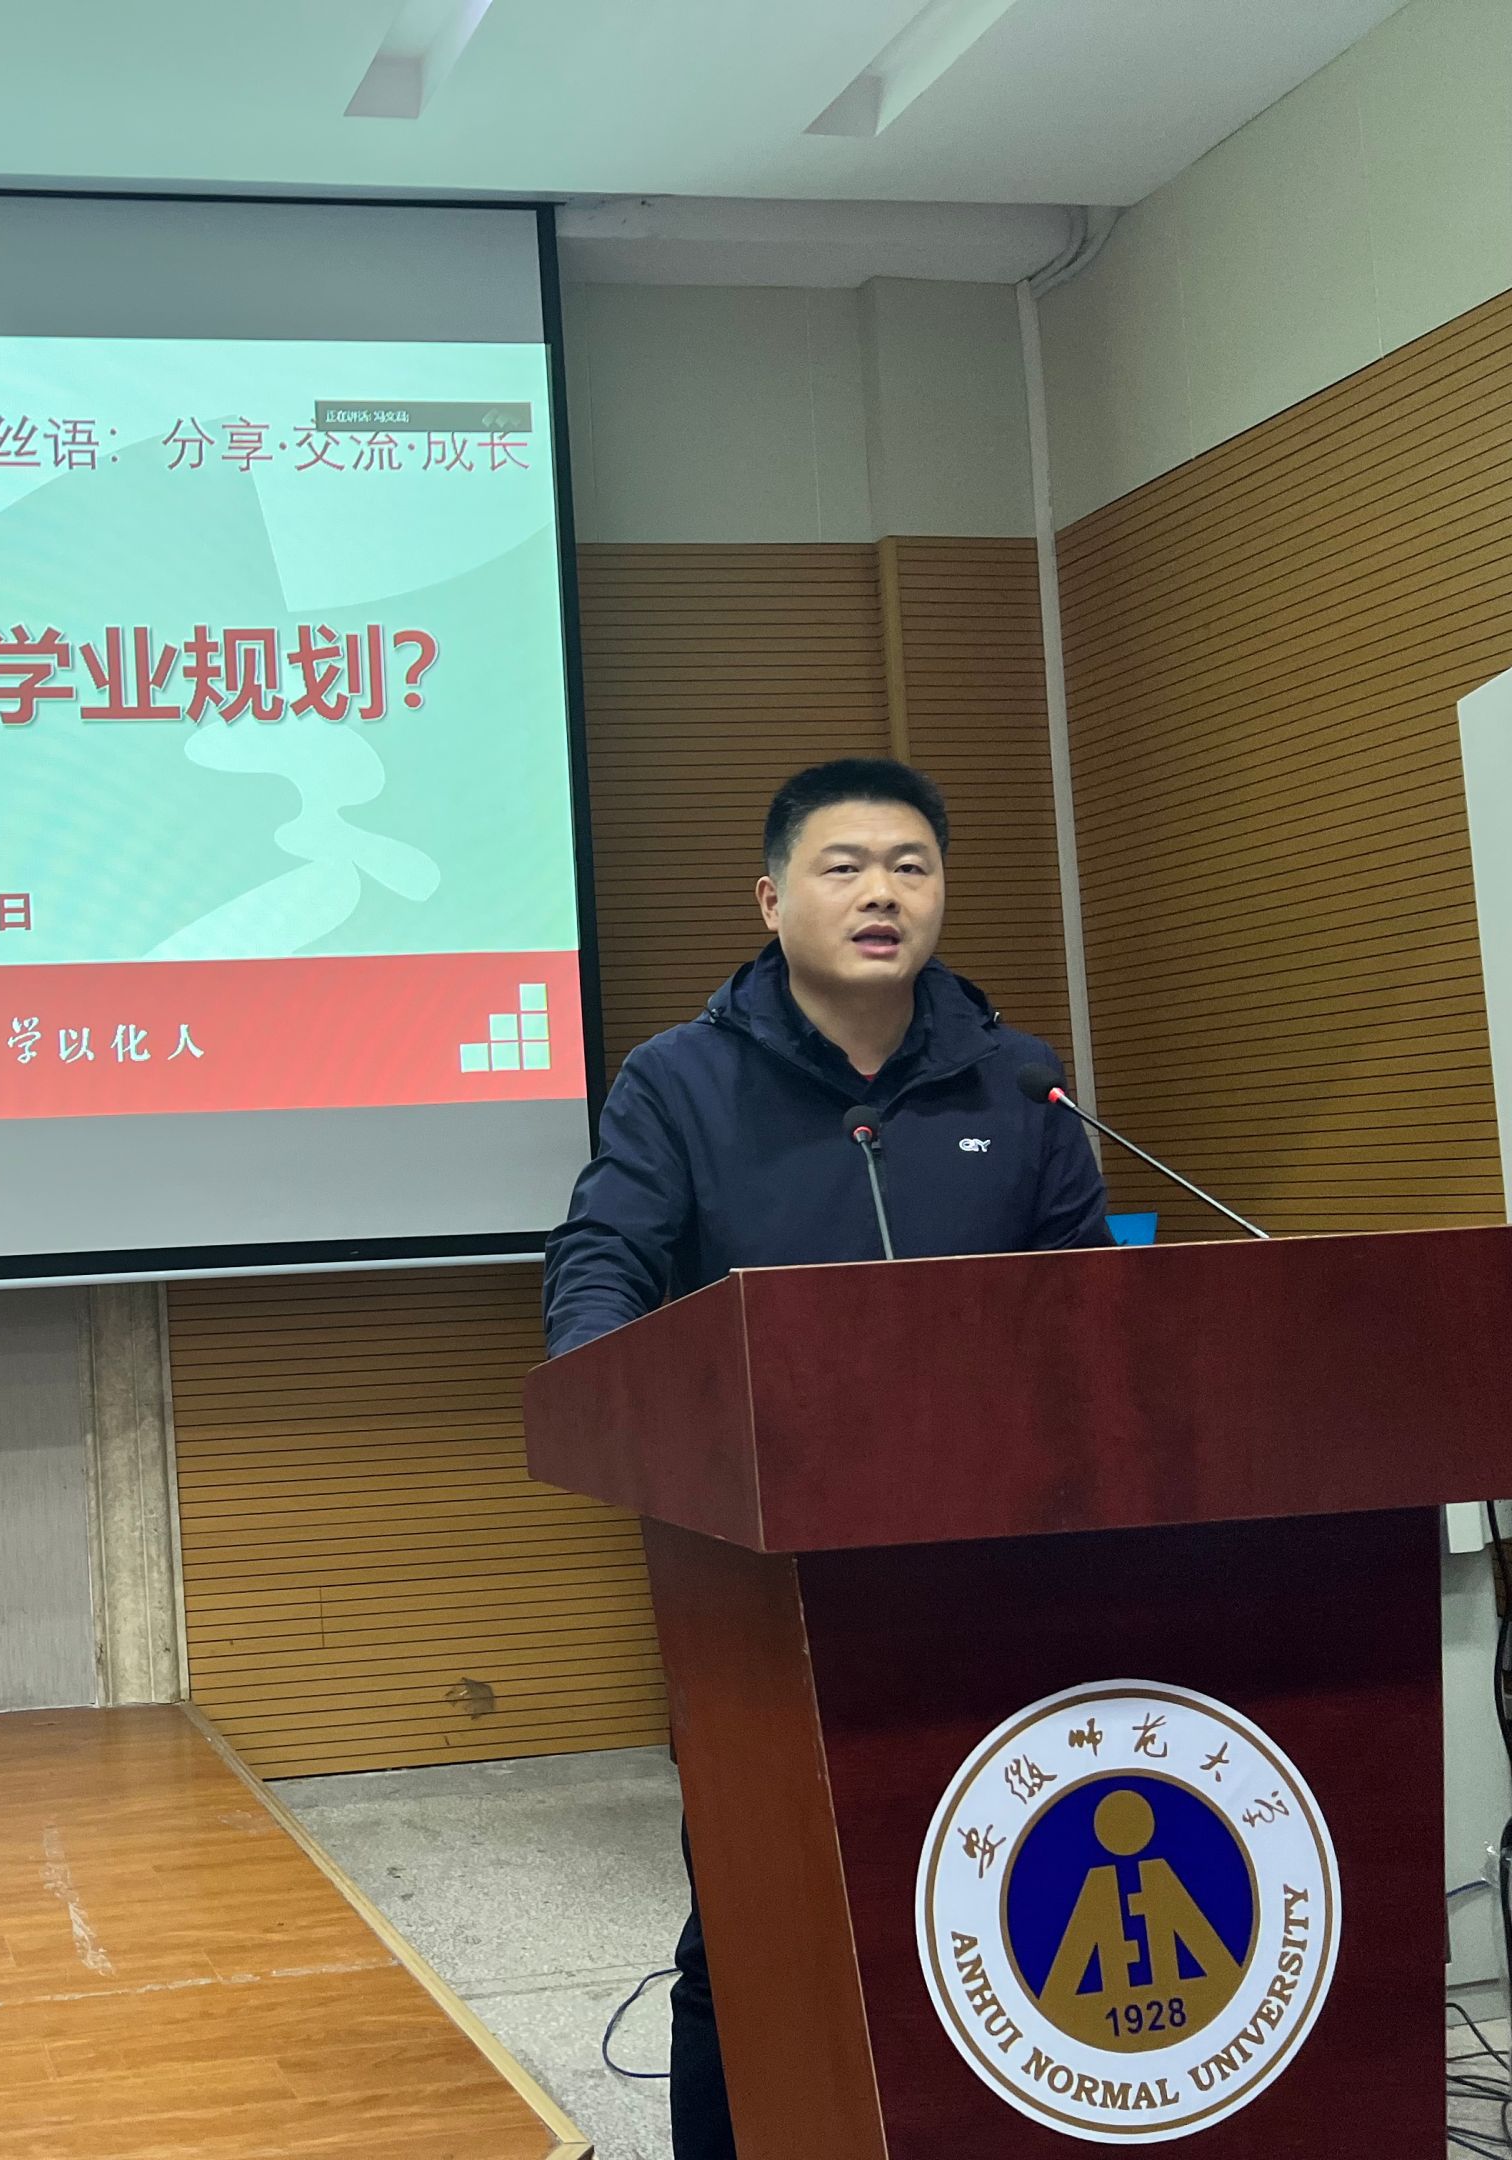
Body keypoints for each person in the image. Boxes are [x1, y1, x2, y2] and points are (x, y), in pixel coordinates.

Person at [542, 757, 1109, 2158]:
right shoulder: (679, 1082)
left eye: (911, 867)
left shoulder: (1018, 1079)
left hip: (993, 1559)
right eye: (844, 866)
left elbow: (1092, 1305)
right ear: (771, 898)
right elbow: (605, 1256)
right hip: (764, 1566)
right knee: (755, 1914)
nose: (880, 894)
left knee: (990, 1887)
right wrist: (605, 1386)